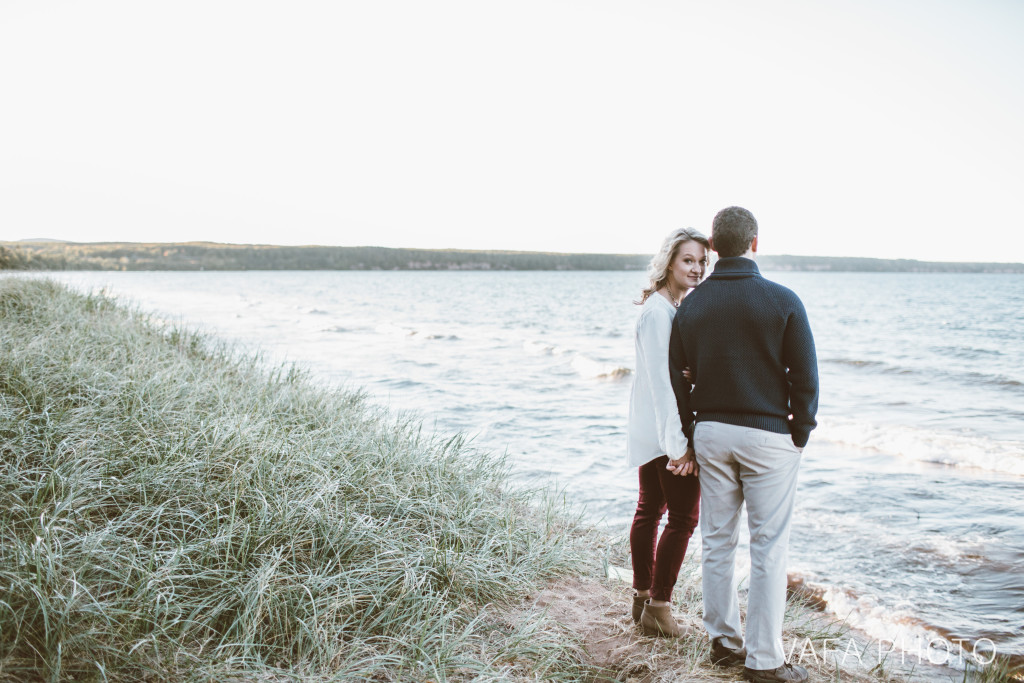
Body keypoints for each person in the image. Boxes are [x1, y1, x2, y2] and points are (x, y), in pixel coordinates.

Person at [669, 207, 818, 683]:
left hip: (711, 431)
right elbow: (806, 377)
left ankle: (723, 644)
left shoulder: (691, 305)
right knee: (769, 546)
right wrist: (801, 429)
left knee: (717, 539)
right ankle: (764, 661)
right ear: (754, 243)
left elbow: (678, 374)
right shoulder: (782, 299)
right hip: (768, 435)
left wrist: (692, 429)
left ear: (713, 247)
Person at [626, 227, 707, 637]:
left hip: (648, 428)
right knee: (683, 518)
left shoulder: (665, 308)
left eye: (701, 262)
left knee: (649, 510)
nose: (696, 269)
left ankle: (642, 598)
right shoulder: (660, 312)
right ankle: (658, 607)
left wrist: (685, 370)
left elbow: (666, 371)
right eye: (688, 260)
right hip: (663, 433)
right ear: (669, 262)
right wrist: (679, 448)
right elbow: (662, 383)